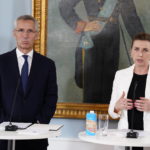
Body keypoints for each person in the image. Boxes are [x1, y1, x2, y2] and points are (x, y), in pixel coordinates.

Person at [59, 0, 144, 103]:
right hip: (92, 40)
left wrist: (144, 45)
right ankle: (90, 118)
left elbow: (131, 18)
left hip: (112, 41)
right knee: (91, 88)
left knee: (109, 88)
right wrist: (82, 25)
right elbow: (64, 6)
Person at [0, 15, 58, 150]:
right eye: (21, 30)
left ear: (36, 35)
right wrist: (3, 122)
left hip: (36, 137)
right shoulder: (1, 62)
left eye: (30, 31)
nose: (25, 35)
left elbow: (51, 98)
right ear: (14, 33)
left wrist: (39, 122)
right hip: (5, 136)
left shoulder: (47, 65)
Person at [109, 32, 150, 150]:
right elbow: (112, 112)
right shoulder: (120, 75)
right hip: (124, 139)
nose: (140, 54)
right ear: (131, 51)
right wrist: (117, 106)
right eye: (136, 49)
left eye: (145, 50)